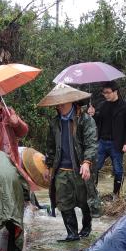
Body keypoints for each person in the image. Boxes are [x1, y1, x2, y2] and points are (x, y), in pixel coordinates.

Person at [39, 83, 98, 241]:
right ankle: (72, 234)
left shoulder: (85, 120)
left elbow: (92, 144)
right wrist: (48, 166)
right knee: (64, 203)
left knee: (85, 202)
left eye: (63, 103)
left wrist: (86, 162)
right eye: (57, 104)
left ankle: (86, 228)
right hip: (61, 170)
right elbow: (50, 147)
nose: (60, 107)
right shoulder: (54, 123)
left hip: (80, 169)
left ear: (72, 101)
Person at [88, 80, 126, 199]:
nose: (106, 95)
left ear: (115, 91)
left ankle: (116, 195)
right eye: (104, 93)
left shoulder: (125, 106)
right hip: (102, 142)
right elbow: (97, 121)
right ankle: (93, 193)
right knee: (94, 168)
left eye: (108, 92)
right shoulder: (103, 105)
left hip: (117, 143)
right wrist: (93, 114)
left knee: (118, 170)